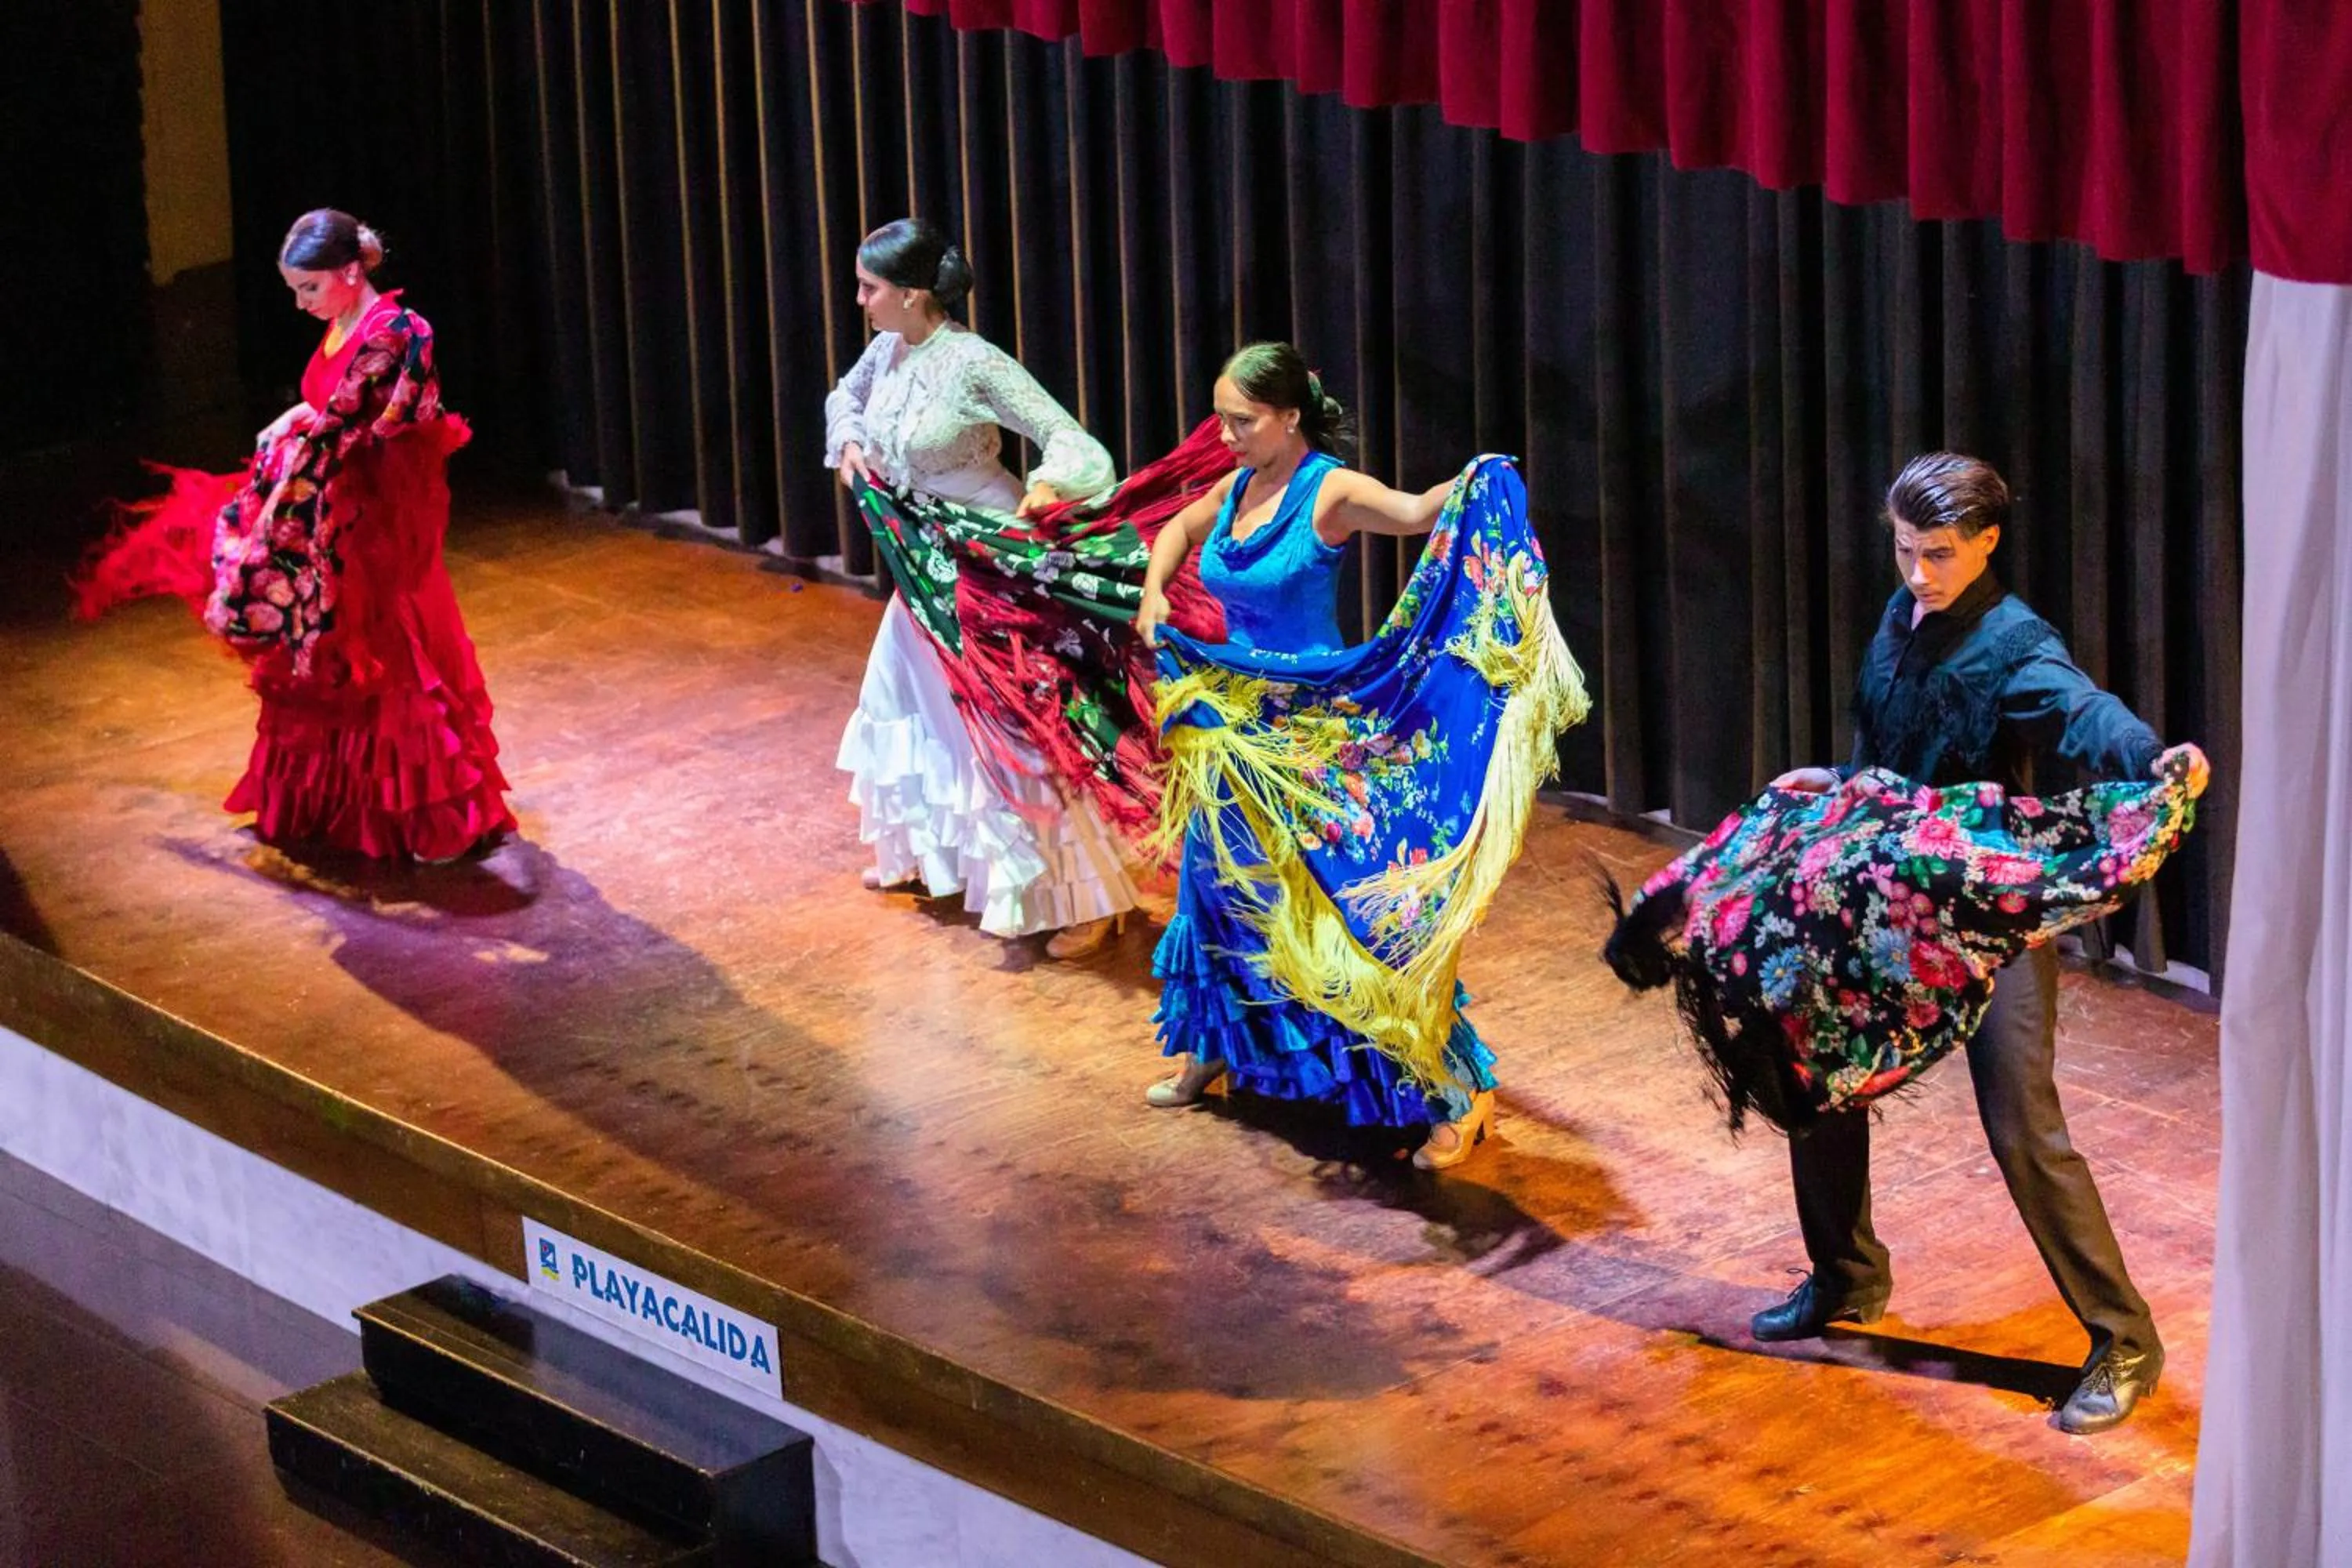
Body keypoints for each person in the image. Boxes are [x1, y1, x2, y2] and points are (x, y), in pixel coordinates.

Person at [1751, 452, 2208, 1434]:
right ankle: (1846, 1275)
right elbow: (1889, 748)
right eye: (1905, 550)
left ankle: (2125, 1338)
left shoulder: (2015, 644)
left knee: (2022, 1127)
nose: (1919, 572)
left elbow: (2083, 713)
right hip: (1886, 891)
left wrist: (2153, 757)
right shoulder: (1901, 613)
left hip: (1981, 912)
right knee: (1815, 1074)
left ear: (1988, 541)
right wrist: (1838, 782)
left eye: (1940, 554)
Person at [1135, 343, 1588, 1171]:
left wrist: (1477, 479)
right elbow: (1175, 528)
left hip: (1312, 729)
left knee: (1344, 912)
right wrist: (1154, 590)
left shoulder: (1329, 491)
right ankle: (1215, 1046)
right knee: (1217, 890)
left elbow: (1414, 512)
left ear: (1289, 417)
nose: (1226, 435)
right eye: (1222, 419)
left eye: (1242, 421)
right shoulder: (1237, 487)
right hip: (1236, 726)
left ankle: (1458, 1092)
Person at [74, 209, 512, 862]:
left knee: (381, 645)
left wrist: (280, 496)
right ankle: (343, 807)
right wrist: (290, 420)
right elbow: (333, 402)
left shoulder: (399, 331)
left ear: (350, 270)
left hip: (375, 517)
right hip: (335, 501)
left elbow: (363, 425)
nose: (301, 303)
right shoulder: (344, 323)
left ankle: (430, 817)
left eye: (309, 287)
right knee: (324, 646)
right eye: (294, 289)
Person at [826, 219, 1155, 958]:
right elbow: (844, 396)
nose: (860, 301)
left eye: (870, 288)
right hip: (927, 558)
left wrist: (1049, 485)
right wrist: (847, 442)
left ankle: (1087, 900)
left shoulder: (975, 363)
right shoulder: (888, 348)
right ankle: (932, 857)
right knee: (902, 696)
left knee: (1013, 723)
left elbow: (1071, 438)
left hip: (988, 555)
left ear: (912, 294)